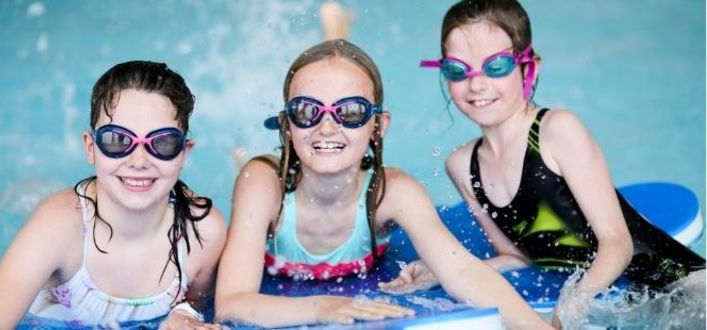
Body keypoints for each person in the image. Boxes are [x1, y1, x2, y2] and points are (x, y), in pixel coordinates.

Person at [379, 0, 705, 326]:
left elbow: (618, 244)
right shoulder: (462, 166)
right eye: (458, 70)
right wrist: (442, 269)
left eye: (495, 66)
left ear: (528, 67)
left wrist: (571, 306)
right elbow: (516, 255)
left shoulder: (556, 131)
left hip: (680, 286)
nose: (476, 84)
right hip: (611, 304)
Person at [213, 39, 549, 329]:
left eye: (351, 112)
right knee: (256, 166)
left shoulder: (393, 192)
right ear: (286, 124)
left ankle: (335, 41)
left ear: (379, 125)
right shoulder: (263, 186)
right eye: (306, 111)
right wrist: (326, 307)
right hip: (282, 182)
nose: (327, 127)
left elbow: (464, 271)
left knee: (335, 78)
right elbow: (231, 304)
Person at [0, 61, 226, 329]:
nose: (139, 161)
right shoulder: (58, 227)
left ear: (184, 153)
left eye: (163, 142)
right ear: (91, 147)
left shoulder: (202, 233)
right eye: (118, 140)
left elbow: (198, 307)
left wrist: (186, 315)